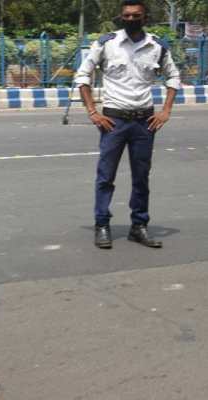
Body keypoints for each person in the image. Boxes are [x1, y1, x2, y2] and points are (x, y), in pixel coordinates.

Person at [74, 0, 180, 250]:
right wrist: (92, 112)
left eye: (136, 15)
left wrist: (166, 111)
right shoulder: (106, 44)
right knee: (105, 176)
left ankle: (138, 226)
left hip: (145, 122)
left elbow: (173, 76)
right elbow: (82, 75)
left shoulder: (157, 46)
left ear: (145, 17)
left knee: (141, 177)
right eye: (126, 15)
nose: (131, 19)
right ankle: (102, 225)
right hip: (113, 121)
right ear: (120, 17)